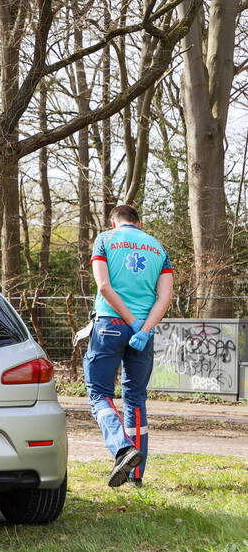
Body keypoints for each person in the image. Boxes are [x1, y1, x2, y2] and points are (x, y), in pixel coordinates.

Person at [85, 204, 173, 488]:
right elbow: (165, 297)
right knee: (135, 398)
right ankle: (136, 476)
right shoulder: (158, 247)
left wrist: (129, 320)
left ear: (114, 222)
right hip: (144, 331)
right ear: (139, 222)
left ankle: (123, 448)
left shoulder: (105, 240)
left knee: (99, 393)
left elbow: (104, 287)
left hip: (109, 324)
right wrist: (143, 329)